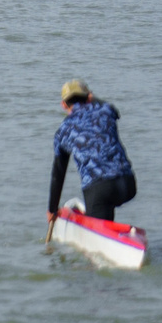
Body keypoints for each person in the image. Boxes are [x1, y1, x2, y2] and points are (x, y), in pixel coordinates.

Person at [50, 80, 137, 223]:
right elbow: (116, 112)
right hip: (128, 184)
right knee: (105, 204)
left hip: (99, 189)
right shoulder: (106, 110)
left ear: (64, 105)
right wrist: (92, 99)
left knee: (101, 202)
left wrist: (52, 209)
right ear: (89, 97)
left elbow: (58, 173)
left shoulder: (63, 131)